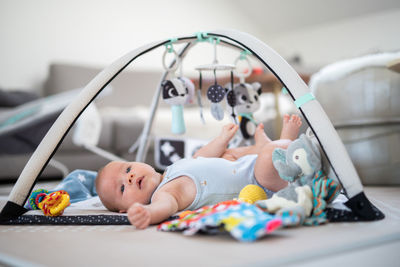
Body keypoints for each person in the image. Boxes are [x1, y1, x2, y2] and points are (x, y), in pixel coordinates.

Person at [96, 114, 302, 229]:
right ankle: (284, 142)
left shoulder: (171, 170)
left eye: (128, 169)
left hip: (243, 164)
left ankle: (261, 148)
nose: (130, 177)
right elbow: (164, 208)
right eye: (122, 187)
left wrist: (220, 140)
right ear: (125, 209)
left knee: (227, 153)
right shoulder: (164, 194)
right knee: (268, 156)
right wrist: (148, 213)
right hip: (259, 182)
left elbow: (201, 156)